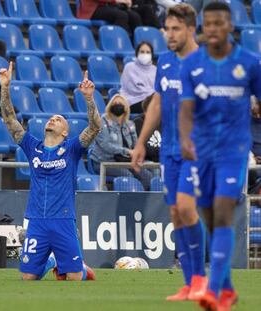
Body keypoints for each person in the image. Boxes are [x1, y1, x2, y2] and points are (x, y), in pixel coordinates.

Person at [178, 2, 261, 310]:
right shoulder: (191, 65)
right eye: (207, 23)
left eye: (218, 23)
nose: (211, 28)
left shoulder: (250, 63)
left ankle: (212, 291)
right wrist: (186, 139)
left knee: (223, 212)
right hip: (202, 152)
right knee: (210, 219)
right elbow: (186, 110)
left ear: (230, 26)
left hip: (234, 151)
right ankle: (227, 290)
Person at [131, 3, 207, 302]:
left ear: (190, 29)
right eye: (167, 28)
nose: (169, 34)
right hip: (170, 152)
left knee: (187, 209)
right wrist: (140, 143)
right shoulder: (164, 61)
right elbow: (158, 104)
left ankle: (200, 278)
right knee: (176, 213)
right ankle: (189, 284)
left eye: (175, 29)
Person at [0, 62, 100, 281]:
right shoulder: (32, 146)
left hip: (63, 219)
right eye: (51, 118)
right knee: (28, 279)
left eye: (59, 119)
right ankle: (51, 262)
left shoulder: (71, 148)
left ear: (65, 132)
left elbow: (95, 128)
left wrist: (89, 98)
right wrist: (5, 87)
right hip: (36, 220)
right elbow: (9, 120)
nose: (53, 119)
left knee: (74, 278)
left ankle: (80, 268)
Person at [90, 94, 152, 190]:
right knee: (127, 175)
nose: (118, 105)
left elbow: (136, 144)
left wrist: (136, 154)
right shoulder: (101, 122)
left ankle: (141, 201)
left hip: (126, 161)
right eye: (115, 103)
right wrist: (127, 151)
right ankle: (127, 202)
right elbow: (105, 145)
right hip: (105, 162)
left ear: (126, 107)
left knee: (147, 176)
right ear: (110, 106)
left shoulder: (130, 124)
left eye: (120, 103)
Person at [120, 41, 157, 114]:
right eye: (142, 52)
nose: (145, 54)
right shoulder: (129, 67)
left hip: (151, 100)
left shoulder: (155, 70)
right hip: (133, 101)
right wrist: (151, 94)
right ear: (137, 54)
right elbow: (132, 90)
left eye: (148, 52)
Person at [77, 0, 142, 37]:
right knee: (121, 15)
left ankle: (138, 45)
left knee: (135, 17)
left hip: (108, 6)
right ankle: (116, 41)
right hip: (93, 9)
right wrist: (116, 0)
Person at [133, 95, 161, 162]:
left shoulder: (164, 123)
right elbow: (144, 148)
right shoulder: (138, 122)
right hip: (147, 160)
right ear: (146, 111)